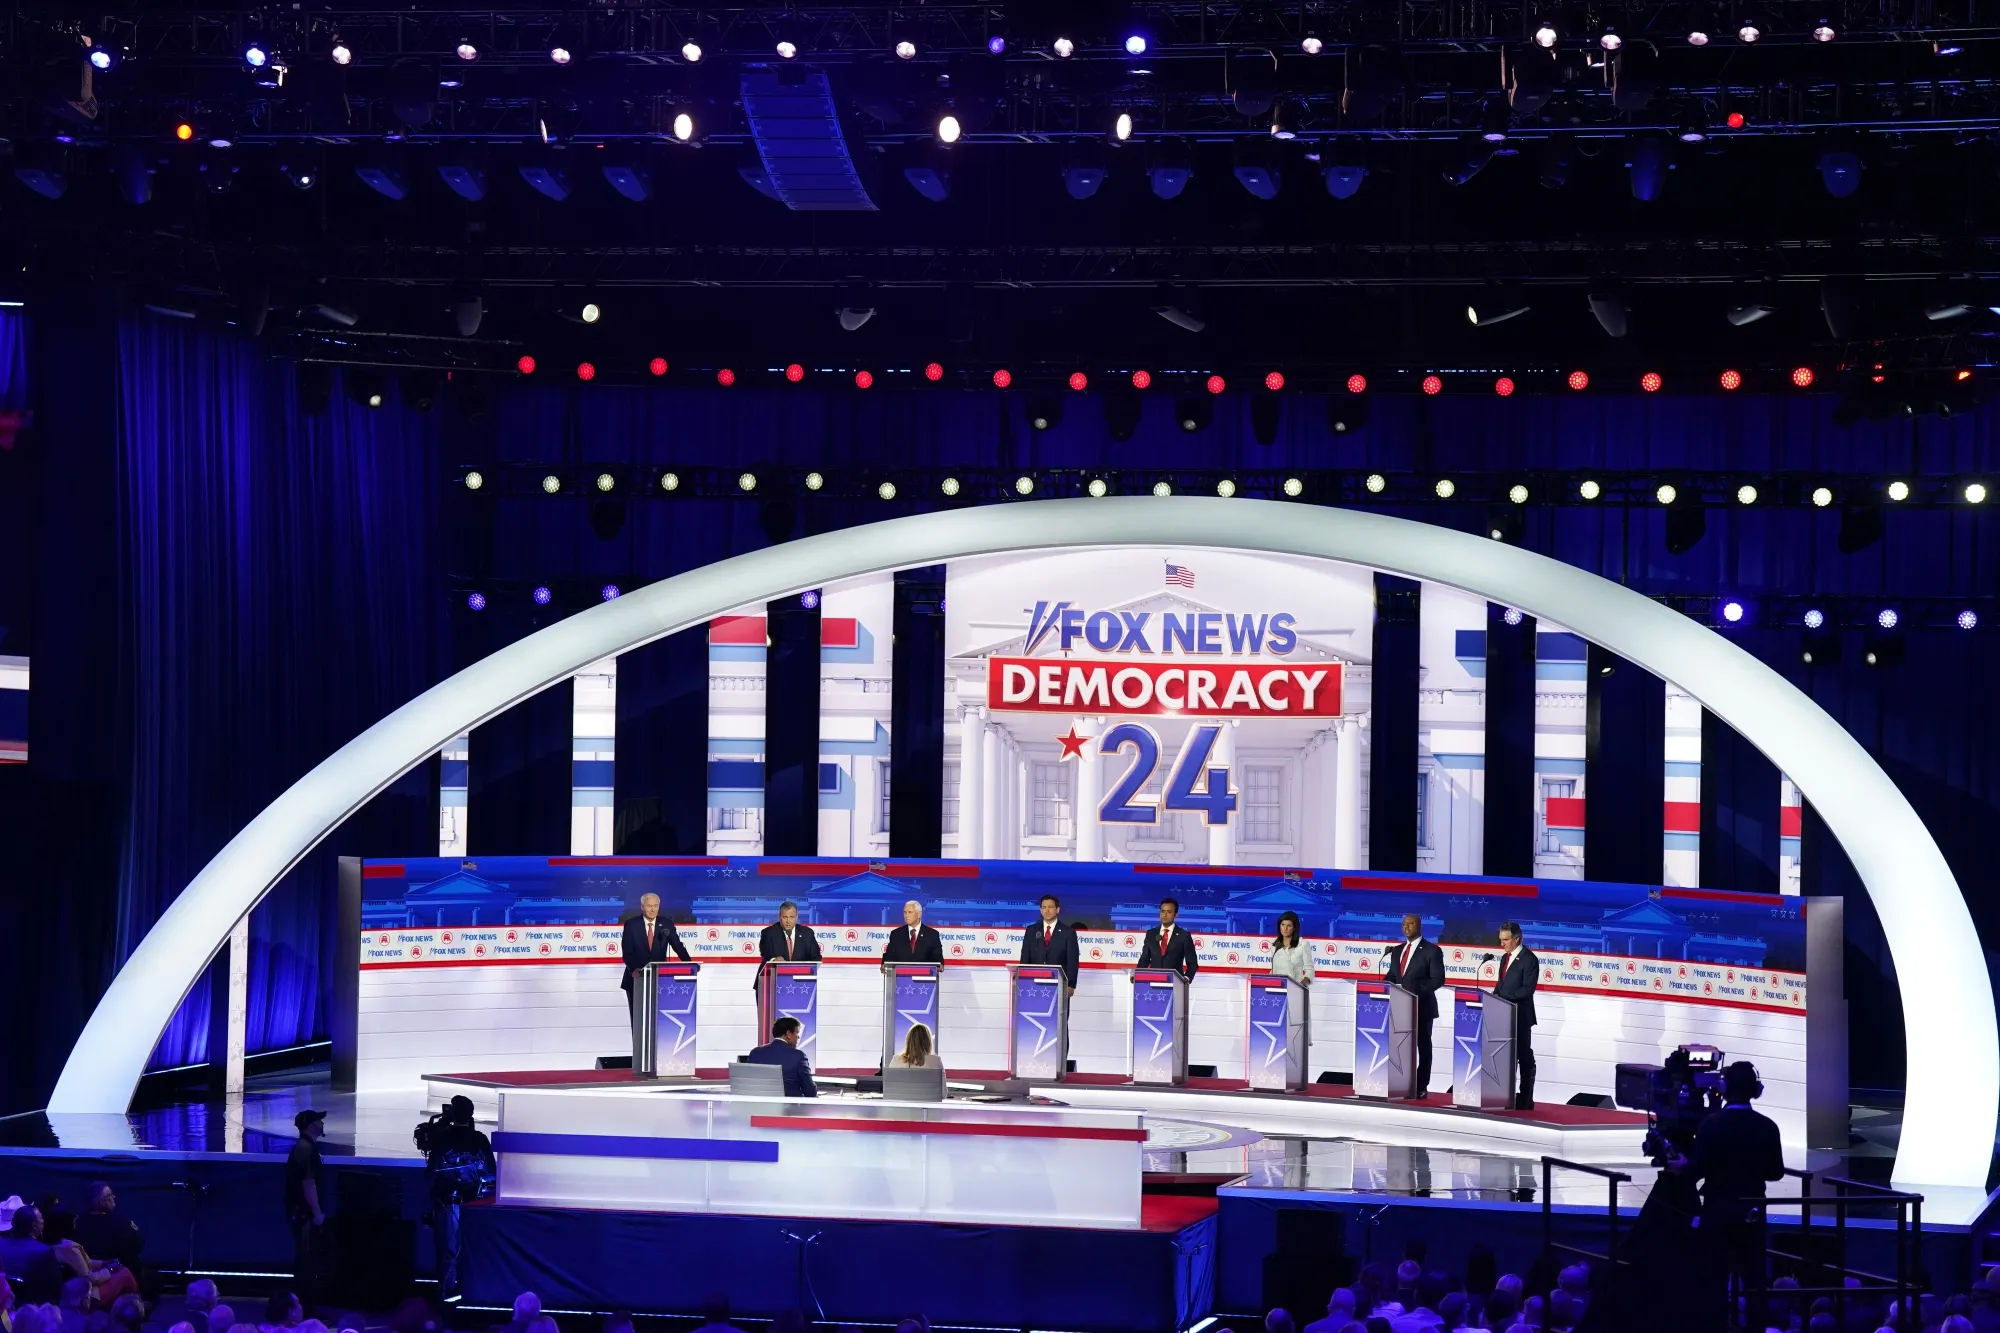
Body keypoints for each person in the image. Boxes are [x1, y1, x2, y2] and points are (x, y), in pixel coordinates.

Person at [1677, 1060, 1784, 1325]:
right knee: (1754, 1282)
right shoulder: (1768, 1127)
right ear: (1756, 1090)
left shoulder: (1712, 1124)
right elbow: (1776, 1172)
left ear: (1724, 1088)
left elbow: (1695, 1171)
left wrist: (1682, 1165)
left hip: (1717, 1214)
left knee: (1713, 1280)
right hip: (1752, 1215)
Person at [421, 1094, 495, 1301]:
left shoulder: (442, 1138)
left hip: (445, 1203)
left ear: (452, 1113)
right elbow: (492, 1173)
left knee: (446, 1247)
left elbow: (430, 1174)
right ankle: (466, 1290)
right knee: (466, 1247)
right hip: (471, 1203)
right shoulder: (480, 1139)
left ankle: (444, 1291)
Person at [1384, 914, 1444, 1099]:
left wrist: (1415, 991)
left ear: (1419, 926)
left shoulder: (1431, 950)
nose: (1406, 927)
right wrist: (1383, 985)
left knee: (1423, 1047)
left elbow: (1438, 979)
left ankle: (1421, 1085)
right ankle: (1401, 1082)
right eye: (1404, 924)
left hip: (1422, 1007)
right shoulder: (1397, 951)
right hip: (1400, 1008)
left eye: (1410, 924)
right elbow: (1393, 976)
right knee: (1400, 1046)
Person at [621, 893, 690, 1055]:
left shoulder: (666, 925)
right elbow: (627, 952)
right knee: (638, 1020)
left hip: (660, 981)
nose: (652, 910)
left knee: (658, 1020)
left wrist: (689, 963)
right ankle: (639, 1055)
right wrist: (634, 970)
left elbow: (677, 946)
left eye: (655, 906)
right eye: (649, 906)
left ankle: (660, 1054)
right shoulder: (632, 925)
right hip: (636, 979)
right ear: (642, 907)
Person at [1492, 922, 1540, 1110]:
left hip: (1520, 1016)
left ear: (1517, 939)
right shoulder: (1505, 958)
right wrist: (1494, 997)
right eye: (1500, 939)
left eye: (1505, 940)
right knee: (1505, 1056)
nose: (1501, 944)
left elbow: (1528, 990)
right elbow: (1500, 984)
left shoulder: (1529, 959)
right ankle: (1505, 1094)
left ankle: (1526, 1098)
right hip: (1503, 1015)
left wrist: (1503, 997)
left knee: (1523, 1055)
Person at [284, 1110, 328, 1313]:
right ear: (311, 1125)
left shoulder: (306, 1148)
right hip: (305, 1216)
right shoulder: (305, 1150)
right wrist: (317, 1213)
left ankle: (304, 1308)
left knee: (307, 1262)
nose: (322, 1123)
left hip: (301, 1215)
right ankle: (306, 1309)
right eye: (319, 1120)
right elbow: (308, 1184)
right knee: (306, 1264)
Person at [70, 1187, 141, 1274]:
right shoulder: (122, 1222)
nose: (114, 1197)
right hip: (116, 1274)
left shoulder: (75, 1222)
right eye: (110, 1195)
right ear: (102, 1201)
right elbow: (138, 1243)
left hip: (83, 1274)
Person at [1019, 894, 1080, 994]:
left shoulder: (1068, 932)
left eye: (1050, 907)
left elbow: (1072, 961)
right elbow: (1025, 958)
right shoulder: (1031, 931)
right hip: (1033, 986)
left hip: (1059, 985)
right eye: (1044, 907)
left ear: (1058, 910)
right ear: (1040, 910)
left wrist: (1071, 985)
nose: (1047, 911)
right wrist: (1021, 980)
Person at [745, 1017, 818, 1097]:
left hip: (760, 1107)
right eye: (797, 1033)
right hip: (791, 1108)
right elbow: (810, 1091)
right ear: (789, 1034)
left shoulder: (755, 1052)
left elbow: (747, 1085)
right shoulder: (798, 1056)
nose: (798, 1037)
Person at [756, 901, 822, 981]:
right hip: (772, 981)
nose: (788, 921)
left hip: (801, 982)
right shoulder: (768, 933)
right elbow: (765, 953)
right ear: (779, 917)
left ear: (797, 917)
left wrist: (806, 970)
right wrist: (773, 960)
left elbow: (816, 957)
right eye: (785, 917)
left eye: (792, 917)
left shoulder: (807, 933)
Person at [1138, 898, 1199, 982]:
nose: (1165, 915)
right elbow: (1144, 959)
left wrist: (1186, 978)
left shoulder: (1184, 935)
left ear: (1176, 915)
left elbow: (1192, 963)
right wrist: (1137, 975)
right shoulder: (1151, 934)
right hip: (1152, 982)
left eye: (1169, 912)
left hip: (1175, 983)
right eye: (1162, 911)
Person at [1270, 910, 1310, 985]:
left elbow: (1310, 972)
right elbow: (1274, 970)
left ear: (1294, 928)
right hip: (1277, 989)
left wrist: (1299, 986)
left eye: (1289, 925)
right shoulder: (1274, 944)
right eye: (1283, 924)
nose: (1285, 928)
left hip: (1296, 990)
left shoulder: (1303, 944)